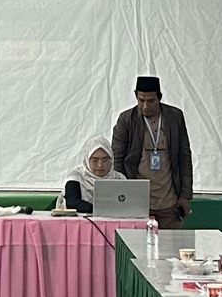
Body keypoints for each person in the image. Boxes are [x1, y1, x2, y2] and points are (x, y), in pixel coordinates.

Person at [110, 76, 192, 229]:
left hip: (169, 202)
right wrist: (124, 195)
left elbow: (184, 157)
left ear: (159, 98)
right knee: (138, 243)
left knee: (170, 243)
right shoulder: (126, 120)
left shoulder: (174, 117)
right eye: (141, 100)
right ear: (136, 96)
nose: (145, 106)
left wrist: (185, 196)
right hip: (137, 202)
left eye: (151, 101)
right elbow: (117, 160)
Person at [61, 138, 114, 213]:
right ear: (87, 160)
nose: (100, 165)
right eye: (95, 160)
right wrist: (102, 210)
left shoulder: (119, 179)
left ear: (111, 160)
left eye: (105, 160)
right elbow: (72, 203)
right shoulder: (76, 177)